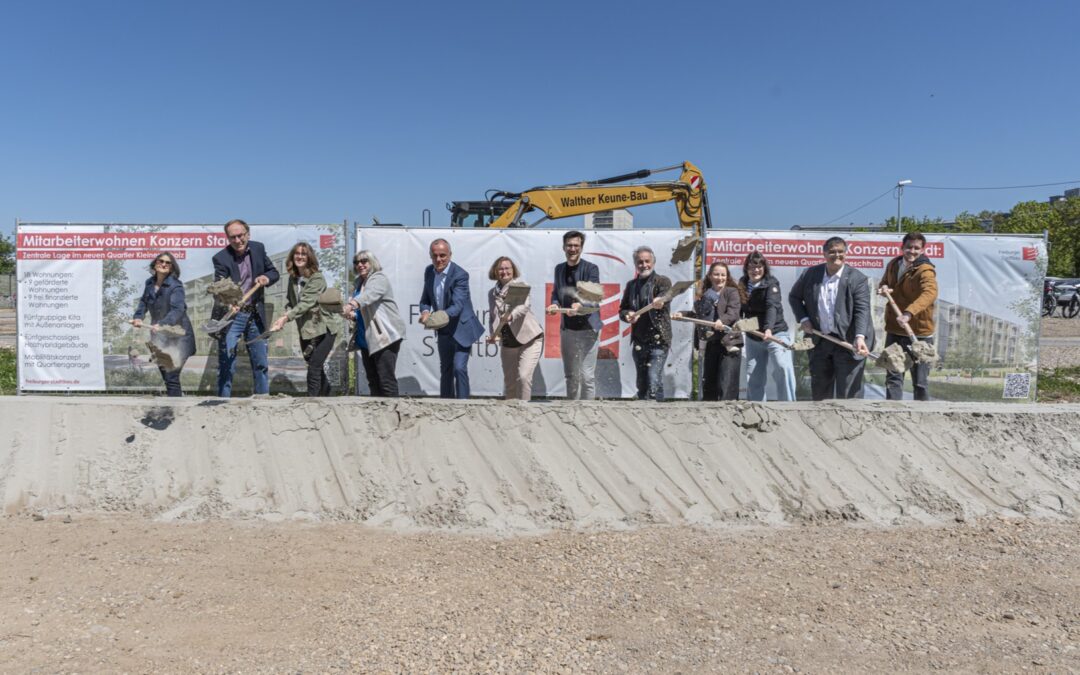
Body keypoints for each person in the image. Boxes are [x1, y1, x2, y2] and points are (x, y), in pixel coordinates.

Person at [788, 236, 875, 400]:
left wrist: (859, 337)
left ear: (846, 254)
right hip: (820, 340)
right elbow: (794, 297)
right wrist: (804, 318)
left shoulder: (857, 278)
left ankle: (850, 424)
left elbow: (862, 310)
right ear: (824, 254)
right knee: (820, 392)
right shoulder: (810, 274)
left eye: (840, 252)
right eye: (832, 252)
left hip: (848, 342)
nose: (837, 255)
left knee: (849, 394)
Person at [212, 219, 280, 397]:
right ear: (228, 238)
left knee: (260, 363)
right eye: (232, 237)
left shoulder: (258, 248)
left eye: (240, 235)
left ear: (247, 234)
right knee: (227, 364)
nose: (237, 240)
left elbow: (274, 272)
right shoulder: (221, 258)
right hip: (233, 317)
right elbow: (219, 288)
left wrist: (266, 277)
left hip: (255, 315)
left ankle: (262, 402)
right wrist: (229, 301)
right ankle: (223, 405)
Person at [270, 242, 342, 396]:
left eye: (304, 254)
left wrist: (286, 318)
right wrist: (283, 315)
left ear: (310, 258)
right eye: (297, 253)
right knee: (314, 365)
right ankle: (328, 397)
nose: (300, 257)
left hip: (324, 330)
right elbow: (292, 302)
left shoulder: (317, 278)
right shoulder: (292, 279)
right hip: (306, 331)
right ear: (292, 256)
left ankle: (311, 403)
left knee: (314, 367)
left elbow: (307, 303)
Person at [419, 238, 484, 399]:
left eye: (443, 255)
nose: (439, 259)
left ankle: (464, 407)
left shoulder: (460, 275)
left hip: (462, 328)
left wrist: (435, 319)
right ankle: (445, 407)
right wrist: (425, 312)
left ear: (450, 255)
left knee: (459, 368)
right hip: (443, 329)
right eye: (435, 256)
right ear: (430, 256)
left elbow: (457, 306)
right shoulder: (429, 271)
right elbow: (425, 300)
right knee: (446, 370)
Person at [878, 231, 938, 400]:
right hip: (895, 331)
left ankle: (922, 418)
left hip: (919, 334)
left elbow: (929, 293)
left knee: (920, 381)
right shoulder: (893, 264)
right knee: (893, 378)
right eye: (909, 247)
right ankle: (893, 416)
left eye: (916, 248)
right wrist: (884, 289)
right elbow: (885, 283)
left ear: (922, 250)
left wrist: (908, 313)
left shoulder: (926, 271)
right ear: (902, 247)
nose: (912, 251)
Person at [130, 252, 196, 396]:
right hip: (160, 338)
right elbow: (143, 302)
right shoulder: (149, 283)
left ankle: (174, 411)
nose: (164, 264)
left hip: (179, 337)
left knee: (171, 376)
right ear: (155, 264)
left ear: (172, 268)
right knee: (168, 377)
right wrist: (138, 317)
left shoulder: (176, 286)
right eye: (161, 261)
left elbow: (178, 309)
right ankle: (174, 406)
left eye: (168, 263)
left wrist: (162, 324)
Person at [676, 261, 743, 401]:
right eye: (716, 274)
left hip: (729, 344)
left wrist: (722, 321)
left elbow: (733, 313)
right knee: (709, 385)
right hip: (711, 344)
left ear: (727, 276)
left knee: (727, 385)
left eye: (723, 275)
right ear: (710, 276)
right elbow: (699, 316)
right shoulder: (705, 294)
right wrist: (682, 315)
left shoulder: (732, 292)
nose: (720, 278)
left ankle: (729, 415)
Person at [546, 230, 601, 400]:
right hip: (568, 329)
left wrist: (581, 304)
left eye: (576, 245)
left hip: (589, 328)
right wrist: (554, 303)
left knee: (587, 376)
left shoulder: (591, 268)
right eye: (569, 245)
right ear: (564, 247)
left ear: (581, 248)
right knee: (571, 375)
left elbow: (594, 296)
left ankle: (588, 413)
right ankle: (572, 411)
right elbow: (556, 292)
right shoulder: (559, 269)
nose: (572, 248)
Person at [344, 249, 405, 397]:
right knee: (373, 380)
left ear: (372, 262)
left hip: (384, 336)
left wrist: (352, 304)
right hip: (367, 338)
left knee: (386, 381)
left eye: (364, 261)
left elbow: (369, 296)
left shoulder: (379, 278)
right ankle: (379, 417)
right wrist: (352, 315)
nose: (360, 264)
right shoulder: (358, 283)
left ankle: (394, 417)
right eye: (356, 262)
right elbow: (364, 310)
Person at [738, 251, 797, 401]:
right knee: (753, 374)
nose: (755, 270)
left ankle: (788, 406)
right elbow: (740, 308)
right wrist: (737, 323)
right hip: (754, 337)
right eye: (751, 267)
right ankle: (756, 409)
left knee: (782, 367)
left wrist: (768, 329)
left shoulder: (771, 283)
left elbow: (772, 306)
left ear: (764, 268)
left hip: (775, 333)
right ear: (746, 268)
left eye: (759, 266)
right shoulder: (742, 284)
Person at [618, 246, 673, 401]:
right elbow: (623, 309)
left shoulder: (662, 281)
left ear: (653, 262)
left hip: (659, 339)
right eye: (640, 262)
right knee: (642, 383)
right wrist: (627, 315)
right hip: (639, 340)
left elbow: (667, 294)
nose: (644, 265)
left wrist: (660, 300)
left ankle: (657, 414)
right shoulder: (631, 285)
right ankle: (643, 414)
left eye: (647, 261)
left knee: (653, 378)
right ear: (636, 264)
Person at [486, 256, 543, 401]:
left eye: (507, 268)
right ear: (495, 271)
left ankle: (525, 413)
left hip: (530, 340)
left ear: (513, 271)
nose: (504, 271)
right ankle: (510, 416)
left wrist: (511, 316)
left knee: (523, 378)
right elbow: (493, 317)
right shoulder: (491, 293)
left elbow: (524, 306)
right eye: (500, 269)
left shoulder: (520, 287)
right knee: (510, 383)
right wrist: (493, 335)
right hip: (508, 342)